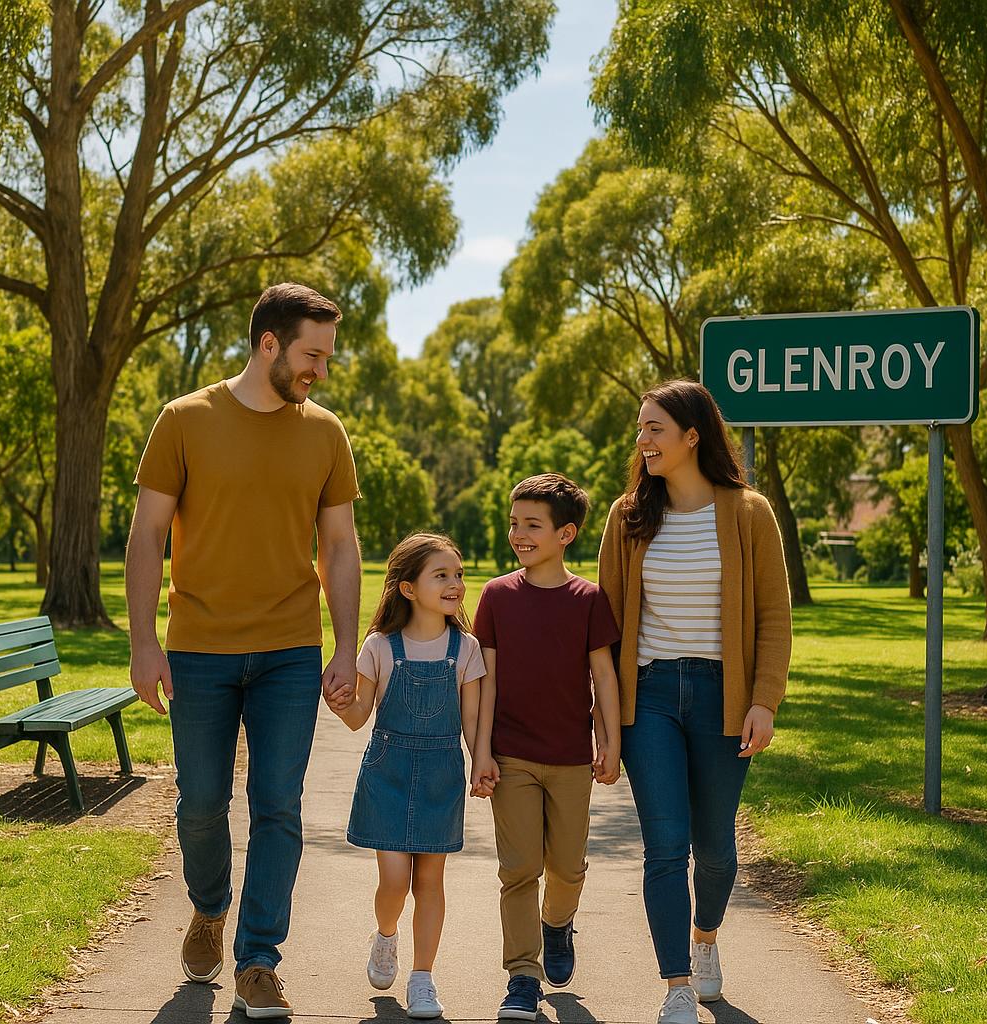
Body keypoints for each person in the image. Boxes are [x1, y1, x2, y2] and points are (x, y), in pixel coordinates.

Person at [126, 283, 362, 1021]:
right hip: (197, 648)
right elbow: (146, 537)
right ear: (269, 345)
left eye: (326, 355)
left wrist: (347, 645)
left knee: (278, 808)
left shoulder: (325, 433)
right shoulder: (185, 420)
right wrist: (142, 642)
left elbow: (341, 545)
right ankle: (209, 905)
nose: (321, 370)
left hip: (290, 650)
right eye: (312, 354)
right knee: (200, 804)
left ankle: (258, 959)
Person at [597, 378, 791, 1024]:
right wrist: (603, 719)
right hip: (649, 696)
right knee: (665, 845)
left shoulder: (747, 512)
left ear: (691, 435)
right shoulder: (627, 517)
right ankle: (677, 982)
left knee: (716, 849)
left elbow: (773, 617)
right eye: (640, 428)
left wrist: (763, 700)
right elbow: (606, 632)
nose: (642, 440)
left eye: (655, 428)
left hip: (722, 696)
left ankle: (705, 936)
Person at [471, 473, 622, 1021]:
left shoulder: (588, 599)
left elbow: (603, 676)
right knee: (519, 868)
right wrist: (481, 750)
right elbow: (485, 678)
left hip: (571, 758)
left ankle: (557, 923)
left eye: (532, 525)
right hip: (510, 753)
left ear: (566, 533)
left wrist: (610, 739)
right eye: (514, 523)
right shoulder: (496, 596)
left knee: (566, 866)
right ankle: (522, 977)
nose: (519, 534)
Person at [327, 533, 485, 1020]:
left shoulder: (466, 648)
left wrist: (482, 763)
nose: (455, 583)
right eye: (441, 575)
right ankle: (386, 935)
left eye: (457, 574)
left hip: (441, 775)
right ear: (408, 588)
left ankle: (423, 978)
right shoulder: (379, 646)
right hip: (388, 773)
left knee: (431, 881)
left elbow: (474, 722)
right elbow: (359, 717)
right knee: (394, 882)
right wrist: (339, 703)